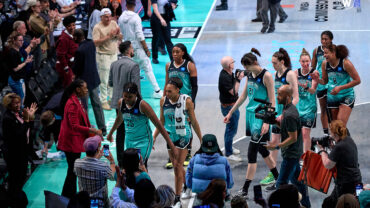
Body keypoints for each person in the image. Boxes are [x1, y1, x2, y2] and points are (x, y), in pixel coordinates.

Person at [223, 49, 279, 197]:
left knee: (251, 152)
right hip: (251, 116)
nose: (246, 70)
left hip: (262, 118)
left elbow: (272, 100)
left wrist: (267, 121)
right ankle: (278, 179)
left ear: (254, 63)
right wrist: (230, 112)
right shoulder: (249, 75)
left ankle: (245, 188)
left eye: (248, 67)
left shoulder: (266, 76)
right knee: (262, 149)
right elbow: (243, 96)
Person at [153, 77, 202, 207]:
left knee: (177, 166)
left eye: (169, 91)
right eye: (166, 91)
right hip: (170, 136)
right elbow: (161, 121)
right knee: (176, 165)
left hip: (183, 135)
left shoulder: (187, 101)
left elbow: (194, 121)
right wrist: (154, 137)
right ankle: (188, 183)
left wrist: (201, 138)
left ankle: (177, 198)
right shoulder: (163, 101)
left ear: (177, 90)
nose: (167, 94)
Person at [107, 82, 177, 166]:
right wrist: (110, 134)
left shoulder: (142, 105)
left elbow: (158, 124)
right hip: (129, 141)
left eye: (130, 97)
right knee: (131, 169)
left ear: (136, 94)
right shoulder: (121, 103)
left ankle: (146, 179)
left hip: (143, 141)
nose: (127, 99)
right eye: (125, 96)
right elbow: (119, 119)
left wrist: (171, 145)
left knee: (139, 166)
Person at [265, 85, 310, 208]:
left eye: (280, 95)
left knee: (281, 185)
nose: (277, 97)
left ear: (288, 97)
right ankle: (306, 205)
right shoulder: (287, 109)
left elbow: (293, 137)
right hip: (294, 153)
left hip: (291, 155)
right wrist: (274, 121)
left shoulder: (289, 114)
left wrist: (276, 146)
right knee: (299, 183)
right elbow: (287, 129)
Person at [58, 79, 103, 199]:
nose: (87, 90)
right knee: (72, 171)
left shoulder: (77, 100)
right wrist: (92, 130)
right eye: (85, 88)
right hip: (70, 143)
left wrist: (91, 128)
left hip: (73, 141)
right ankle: (67, 197)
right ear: (78, 89)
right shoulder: (72, 103)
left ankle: (68, 195)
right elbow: (74, 126)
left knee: (73, 171)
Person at [263, 47, 298, 186]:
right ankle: (274, 174)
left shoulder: (289, 75)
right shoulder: (276, 74)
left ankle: (293, 174)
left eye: (275, 63)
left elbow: (296, 97)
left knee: (291, 144)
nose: (273, 65)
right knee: (274, 140)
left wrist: (285, 114)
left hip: (287, 115)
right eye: (272, 63)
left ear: (282, 61)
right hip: (278, 114)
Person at [118, 0, 163, 98]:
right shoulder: (136, 17)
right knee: (147, 69)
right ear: (134, 5)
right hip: (137, 48)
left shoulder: (121, 18)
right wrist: (146, 49)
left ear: (126, 5)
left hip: (126, 49)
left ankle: (127, 93)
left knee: (128, 72)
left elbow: (120, 35)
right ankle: (157, 91)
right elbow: (140, 35)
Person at [164, 43, 198, 168]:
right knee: (171, 126)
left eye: (177, 52)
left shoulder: (190, 66)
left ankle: (187, 152)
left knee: (186, 126)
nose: (175, 54)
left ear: (183, 52)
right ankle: (172, 153)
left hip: (185, 101)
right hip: (171, 100)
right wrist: (164, 98)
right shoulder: (169, 65)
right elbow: (166, 83)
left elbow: (194, 86)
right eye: (173, 52)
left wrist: (192, 102)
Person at [2, 93, 37, 207]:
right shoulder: (8, 118)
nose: (18, 105)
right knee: (16, 178)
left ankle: (14, 199)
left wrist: (30, 117)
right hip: (14, 153)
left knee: (20, 177)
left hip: (22, 151)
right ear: (9, 105)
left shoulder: (19, 114)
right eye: (15, 103)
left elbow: (26, 130)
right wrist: (27, 120)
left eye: (19, 102)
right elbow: (19, 134)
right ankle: (14, 201)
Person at [108, 41, 140, 166]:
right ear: (128, 50)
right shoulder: (134, 65)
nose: (133, 50)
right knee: (134, 129)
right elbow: (135, 87)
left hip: (117, 101)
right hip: (131, 103)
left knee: (120, 130)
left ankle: (121, 160)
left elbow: (110, 83)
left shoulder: (114, 64)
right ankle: (134, 158)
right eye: (132, 48)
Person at [311, 44, 361, 125]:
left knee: (340, 124)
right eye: (323, 53)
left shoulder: (345, 63)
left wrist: (340, 88)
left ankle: (345, 138)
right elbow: (325, 81)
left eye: (326, 53)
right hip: (332, 97)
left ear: (333, 53)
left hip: (346, 95)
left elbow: (357, 80)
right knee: (335, 127)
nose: (324, 55)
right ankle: (344, 137)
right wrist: (317, 79)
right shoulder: (325, 64)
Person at [318, 120, 362, 208]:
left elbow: (328, 164)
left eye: (331, 133)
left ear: (335, 134)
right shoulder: (349, 139)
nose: (330, 135)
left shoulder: (339, 147)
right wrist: (333, 148)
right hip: (357, 180)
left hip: (345, 184)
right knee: (356, 203)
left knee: (335, 204)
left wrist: (322, 150)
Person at [72, 28, 107, 136]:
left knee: (84, 106)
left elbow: (76, 69)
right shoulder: (91, 44)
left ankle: (86, 129)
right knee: (97, 104)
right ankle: (103, 127)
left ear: (76, 37)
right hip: (93, 79)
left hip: (83, 83)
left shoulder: (79, 51)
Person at [92, 8, 122, 110]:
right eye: (106, 17)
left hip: (113, 53)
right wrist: (109, 36)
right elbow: (95, 43)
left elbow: (120, 36)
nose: (108, 18)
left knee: (113, 78)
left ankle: (111, 98)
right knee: (104, 79)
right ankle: (103, 100)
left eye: (109, 16)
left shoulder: (113, 23)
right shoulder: (97, 27)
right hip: (103, 55)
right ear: (101, 17)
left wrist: (118, 35)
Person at [74, 135, 115, 208]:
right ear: (98, 150)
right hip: (100, 203)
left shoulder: (77, 163)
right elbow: (113, 177)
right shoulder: (103, 166)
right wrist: (112, 161)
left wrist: (97, 158)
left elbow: (89, 165)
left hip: (84, 202)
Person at [218, 56, 243, 161]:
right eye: (233, 62)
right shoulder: (224, 77)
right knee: (231, 130)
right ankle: (228, 153)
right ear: (229, 65)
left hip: (231, 105)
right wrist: (239, 79)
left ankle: (229, 147)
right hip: (229, 107)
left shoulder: (228, 73)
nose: (234, 63)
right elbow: (234, 91)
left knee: (232, 129)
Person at [311, 30, 333, 136]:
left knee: (333, 108)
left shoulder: (335, 50)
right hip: (321, 84)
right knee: (323, 109)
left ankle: (335, 131)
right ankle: (326, 135)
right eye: (322, 39)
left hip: (332, 83)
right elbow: (312, 68)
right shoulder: (316, 51)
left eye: (326, 39)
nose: (323, 41)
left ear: (331, 40)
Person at [295, 48, 317, 152]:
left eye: (307, 61)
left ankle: (306, 158)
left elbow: (313, 90)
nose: (305, 63)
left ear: (310, 61)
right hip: (299, 108)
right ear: (299, 62)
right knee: (298, 134)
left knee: (305, 133)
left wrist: (305, 87)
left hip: (310, 108)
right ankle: (300, 154)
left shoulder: (314, 73)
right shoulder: (295, 73)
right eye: (303, 61)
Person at [5, 31, 33, 106]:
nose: (22, 42)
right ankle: (19, 115)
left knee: (22, 99)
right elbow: (15, 68)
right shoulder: (12, 53)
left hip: (20, 78)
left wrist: (27, 60)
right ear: (14, 41)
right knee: (20, 101)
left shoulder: (18, 50)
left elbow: (20, 61)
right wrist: (26, 62)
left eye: (22, 40)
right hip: (16, 80)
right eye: (20, 40)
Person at [55, 15, 78, 88]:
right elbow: (61, 55)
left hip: (72, 65)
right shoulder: (63, 39)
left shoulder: (73, 35)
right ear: (65, 27)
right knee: (69, 88)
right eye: (69, 26)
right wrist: (66, 68)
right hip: (66, 68)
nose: (72, 27)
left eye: (73, 25)